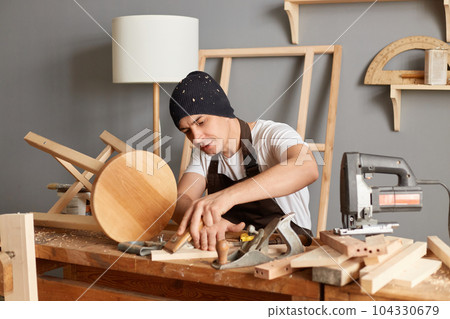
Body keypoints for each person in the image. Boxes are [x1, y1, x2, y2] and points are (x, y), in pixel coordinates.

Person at [169, 71, 319, 251]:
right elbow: (180, 199)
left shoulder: (272, 135)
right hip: (234, 251)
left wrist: (226, 197)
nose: (197, 138)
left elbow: (307, 168)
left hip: (289, 250)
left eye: (200, 122)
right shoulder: (205, 154)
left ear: (222, 111)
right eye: (187, 131)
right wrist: (207, 220)